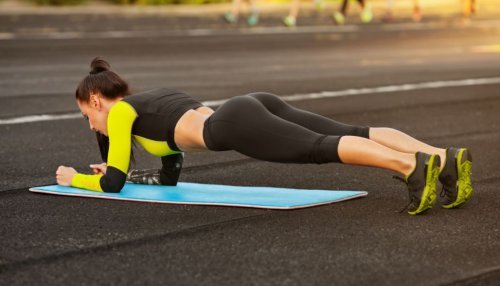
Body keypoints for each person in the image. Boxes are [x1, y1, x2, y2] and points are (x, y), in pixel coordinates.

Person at [56, 57, 473, 215]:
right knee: (351, 131)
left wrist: (75, 178)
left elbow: (111, 182)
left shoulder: (124, 113)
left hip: (234, 123)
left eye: (85, 116)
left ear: (97, 100)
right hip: (250, 104)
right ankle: (443, 158)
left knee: (318, 149)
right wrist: (125, 173)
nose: (90, 126)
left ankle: (412, 167)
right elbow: (169, 176)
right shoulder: (150, 102)